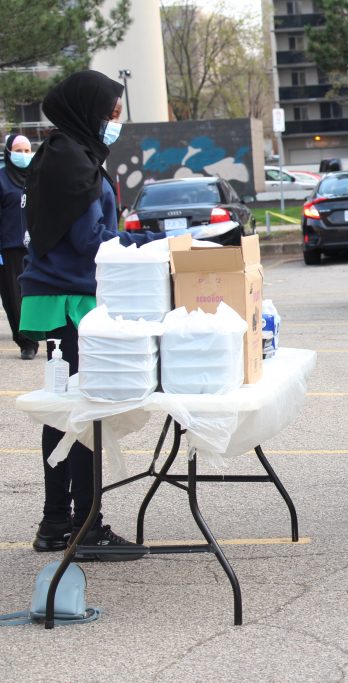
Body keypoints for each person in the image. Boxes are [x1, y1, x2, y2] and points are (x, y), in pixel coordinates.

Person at [19, 70, 175, 560]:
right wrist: (150, 244)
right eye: (111, 113)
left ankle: (57, 522)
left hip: (62, 295)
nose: (116, 122)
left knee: (68, 409)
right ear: (88, 110)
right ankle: (85, 526)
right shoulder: (72, 160)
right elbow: (92, 242)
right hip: (73, 299)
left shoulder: (66, 153)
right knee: (88, 409)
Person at [0, 134, 39, 360]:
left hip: (37, 246)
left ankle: (51, 338)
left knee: (42, 293)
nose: (23, 155)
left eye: (27, 150)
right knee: (15, 297)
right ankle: (26, 342)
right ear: (8, 151)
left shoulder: (37, 177)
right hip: (10, 248)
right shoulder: (2, 179)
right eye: (18, 150)